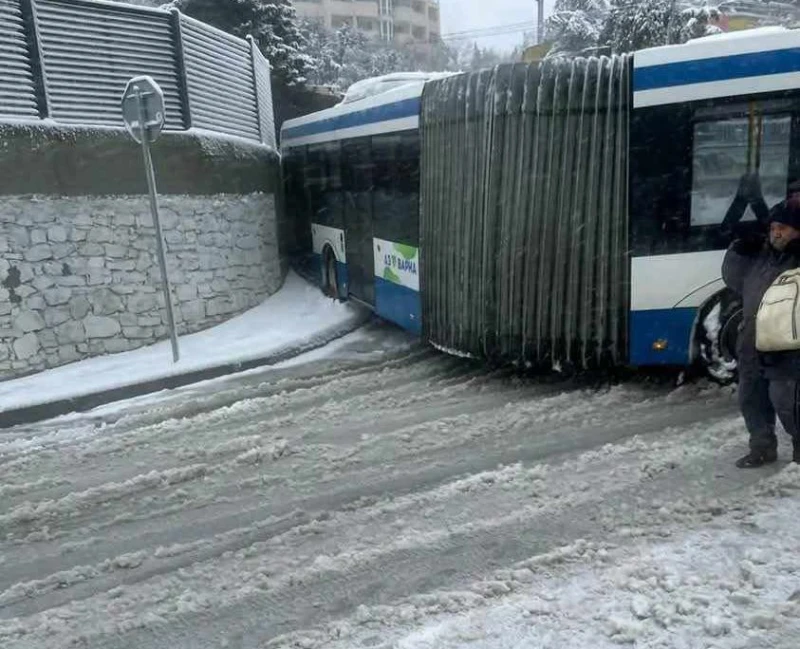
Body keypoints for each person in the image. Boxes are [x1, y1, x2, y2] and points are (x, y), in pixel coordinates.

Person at [722, 174, 800, 468]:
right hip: (753, 337)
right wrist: (739, 247)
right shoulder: (761, 255)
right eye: (773, 228)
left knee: (787, 400)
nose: (776, 233)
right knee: (751, 397)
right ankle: (762, 447)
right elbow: (733, 278)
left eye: (783, 229)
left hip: (789, 341)